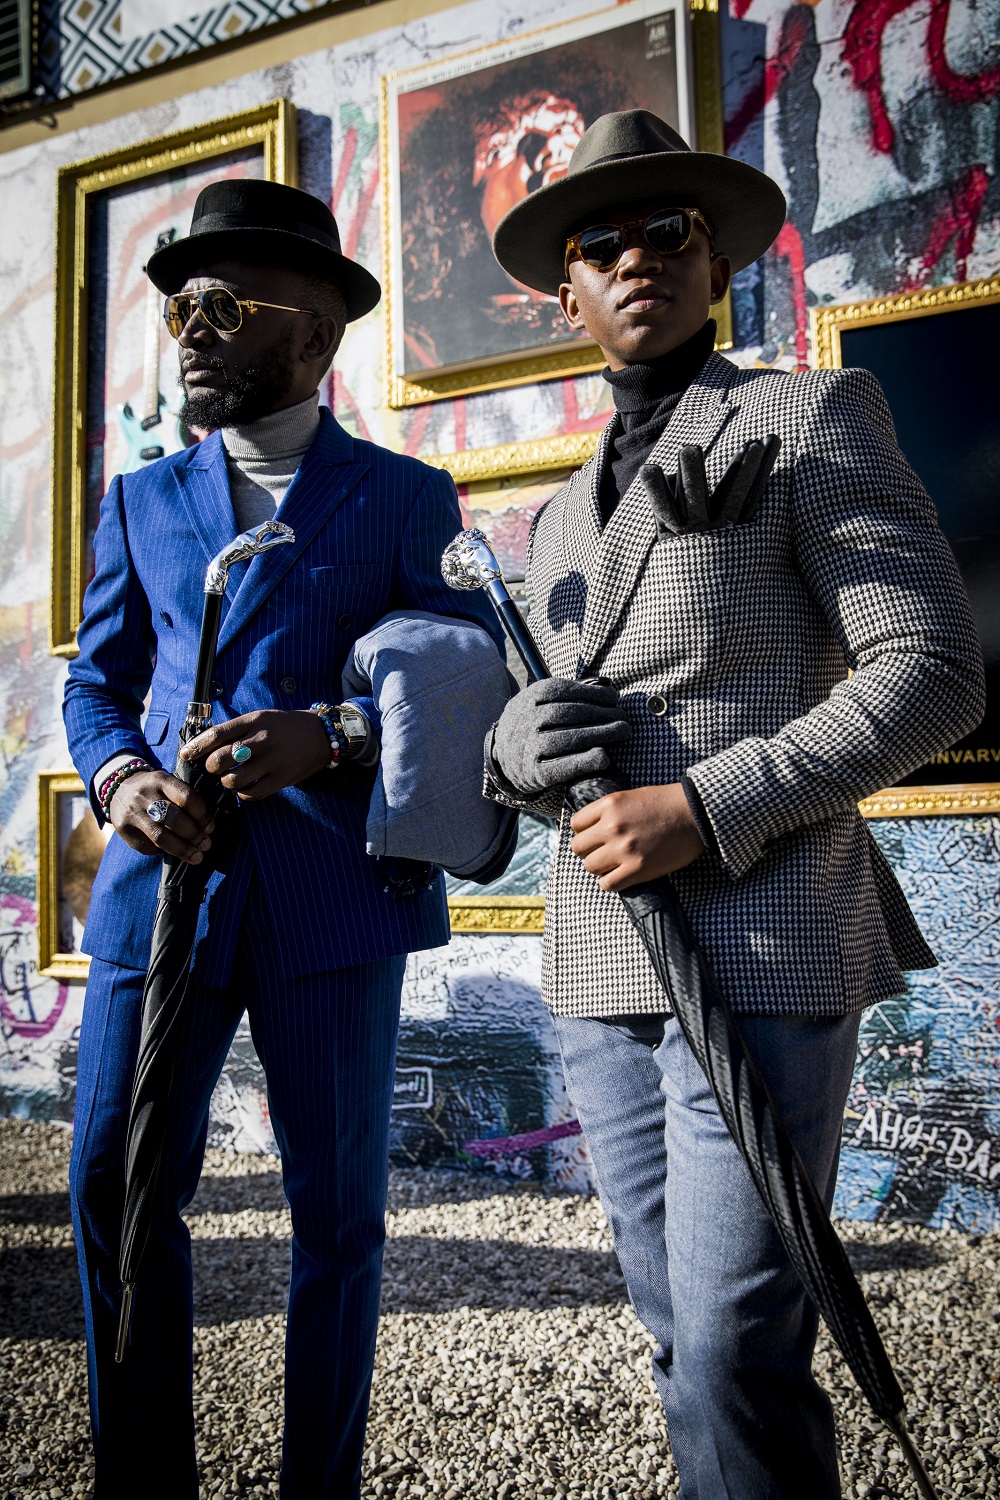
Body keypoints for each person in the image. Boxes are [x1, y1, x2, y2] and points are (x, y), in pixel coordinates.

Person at [483, 110, 984, 1497]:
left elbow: (934, 672)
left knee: (730, 1346)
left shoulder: (811, 415)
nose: (636, 256)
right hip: (597, 966)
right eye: (601, 242)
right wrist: (517, 748)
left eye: (669, 232)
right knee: (671, 1337)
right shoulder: (554, 516)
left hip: (760, 941)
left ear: (717, 266)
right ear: (566, 290)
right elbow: (529, 751)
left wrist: (704, 806)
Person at [63, 177, 507, 1499]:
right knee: (112, 1184)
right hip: (159, 896)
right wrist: (128, 784)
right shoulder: (139, 501)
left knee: (338, 1222)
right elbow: (96, 685)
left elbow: (462, 672)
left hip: (337, 898)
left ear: (313, 336)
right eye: (179, 307)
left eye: (222, 306)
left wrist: (342, 735)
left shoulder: (406, 498)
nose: (189, 330)